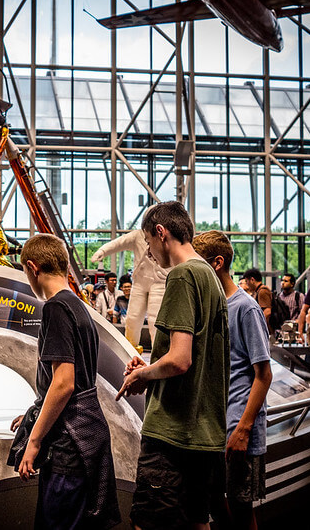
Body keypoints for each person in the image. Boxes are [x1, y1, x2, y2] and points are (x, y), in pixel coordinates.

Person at [116, 201, 229, 530]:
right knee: (197, 521)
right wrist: (152, 365)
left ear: (160, 233)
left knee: (148, 522)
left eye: (149, 244)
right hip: (204, 432)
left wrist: (141, 374)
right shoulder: (211, 277)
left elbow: (180, 360)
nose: (149, 253)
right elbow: (196, 356)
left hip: (171, 434)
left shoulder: (182, 275)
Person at [11, 233, 120, 528]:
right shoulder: (78, 306)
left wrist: (34, 440)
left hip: (68, 447)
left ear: (33, 268)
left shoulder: (56, 308)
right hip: (87, 435)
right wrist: (34, 416)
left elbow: (64, 383)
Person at [192, 231, 272, 530]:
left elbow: (264, 375)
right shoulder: (212, 305)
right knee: (214, 499)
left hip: (238, 427)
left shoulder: (246, 308)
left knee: (241, 506)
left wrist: (244, 428)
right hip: (214, 428)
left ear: (217, 263)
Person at [91, 226, 170, 346]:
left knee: (156, 321)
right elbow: (119, 243)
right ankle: (131, 351)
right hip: (139, 283)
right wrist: (102, 251)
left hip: (158, 283)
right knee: (132, 319)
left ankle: (158, 354)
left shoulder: (165, 236)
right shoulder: (137, 235)